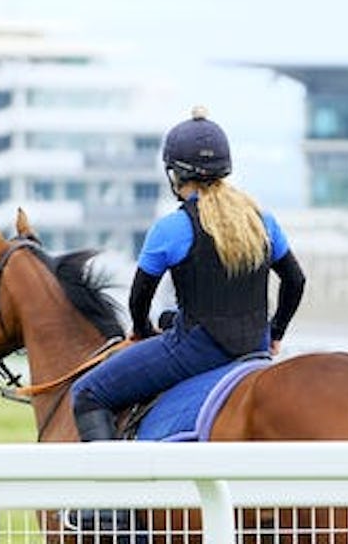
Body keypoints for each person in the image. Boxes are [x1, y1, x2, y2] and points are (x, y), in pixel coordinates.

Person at [70, 106, 306, 442]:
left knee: (88, 392)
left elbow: (139, 300)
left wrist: (141, 330)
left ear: (174, 175)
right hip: (255, 345)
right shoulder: (261, 219)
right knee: (171, 318)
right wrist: (275, 332)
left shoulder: (171, 227)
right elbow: (295, 281)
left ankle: (113, 489)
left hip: (197, 351)